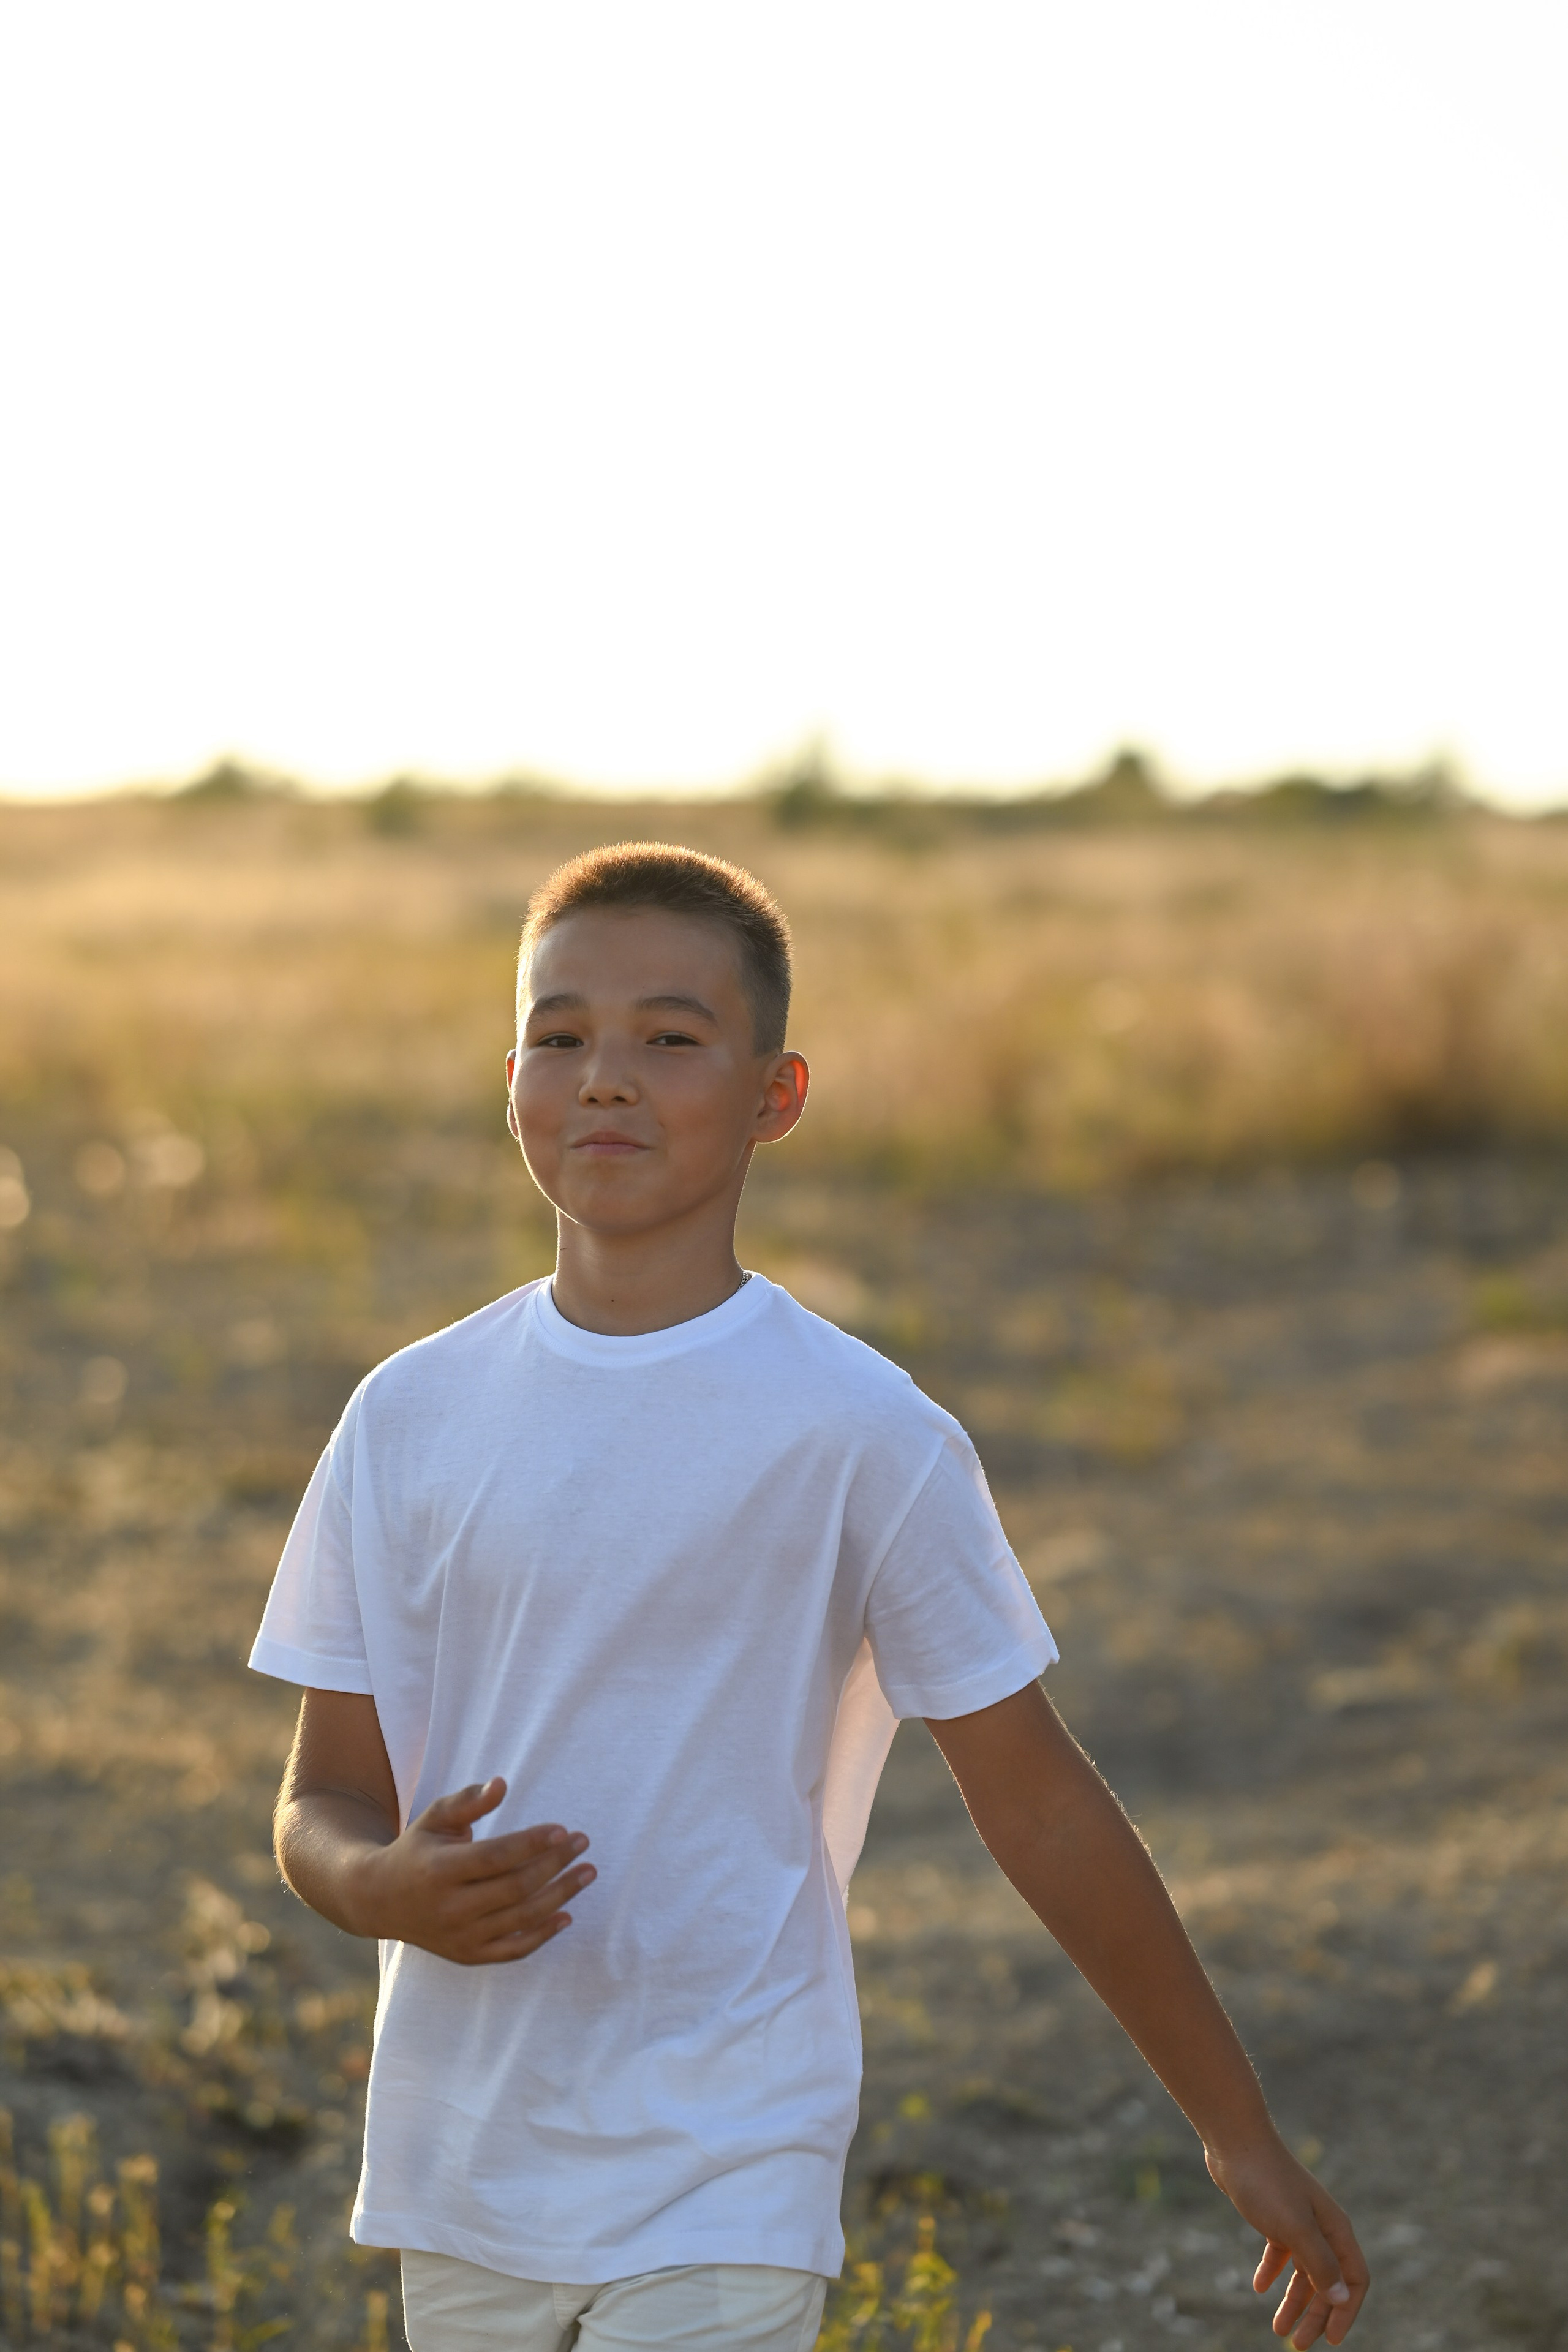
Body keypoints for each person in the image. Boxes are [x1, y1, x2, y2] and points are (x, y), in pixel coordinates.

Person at [251, 842, 1368, 2352]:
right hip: (465, 2168)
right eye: (560, 1036)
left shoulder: (861, 1431)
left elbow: (1037, 1801)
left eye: (670, 1037)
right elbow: (322, 1796)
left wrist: (1232, 2129)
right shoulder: (409, 1413)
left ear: (774, 1095)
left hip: (729, 2158)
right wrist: (373, 1887)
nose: (605, 1077)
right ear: (510, 1083)